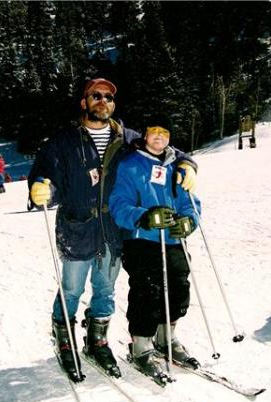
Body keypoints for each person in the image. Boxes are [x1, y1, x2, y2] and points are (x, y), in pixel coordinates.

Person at [28, 78, 198, 382]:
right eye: (95, 96)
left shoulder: (127, 137)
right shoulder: (65, 140)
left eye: (108, 96)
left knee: (105, 288)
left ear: (113, 104)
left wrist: (187, 164)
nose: (102, 100)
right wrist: (42, 187)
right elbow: (45, 171)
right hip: (78, 225)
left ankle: (97, 340)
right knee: (72, 288)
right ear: (84, 102)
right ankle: (63, 337)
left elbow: (164, 149)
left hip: (112, 229)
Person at [109, 117, 201, 383]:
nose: (159, 137)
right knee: (147, 290)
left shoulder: (176, 167)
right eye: (154, 132)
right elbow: (118, 203)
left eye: (164, 132)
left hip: (172, 240)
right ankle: (141, 346)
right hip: (141, 238)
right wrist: (144, 216)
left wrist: (188, 220)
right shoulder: (130, 164)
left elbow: (190, 202)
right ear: (145, 135)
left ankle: (167, 338)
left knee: (178, 286)